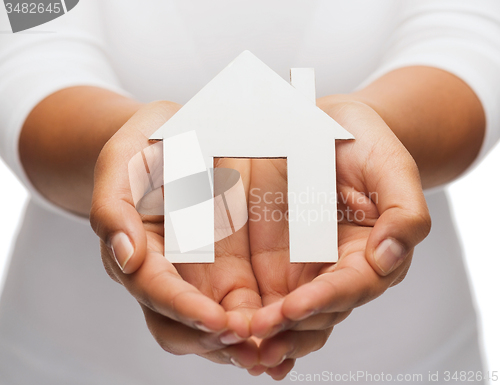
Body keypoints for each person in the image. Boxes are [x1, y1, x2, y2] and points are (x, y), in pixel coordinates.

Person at [0, 1, 499, 383]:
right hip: (78, 356)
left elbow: (469, 31)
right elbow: (31, 39)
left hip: (398, 356)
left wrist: (361, 137)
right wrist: (131, 150)